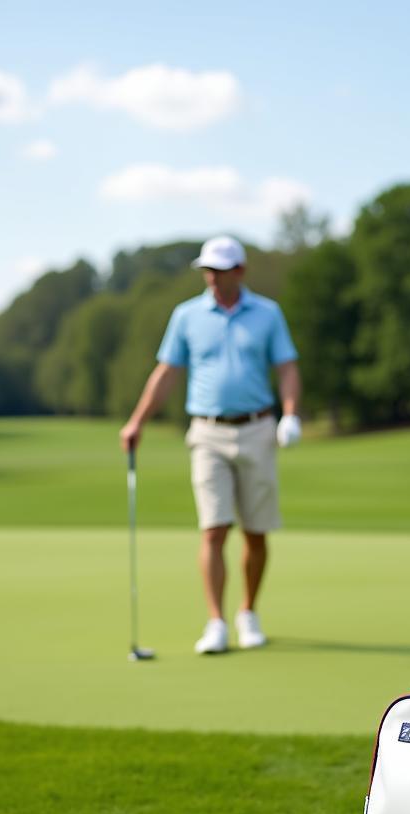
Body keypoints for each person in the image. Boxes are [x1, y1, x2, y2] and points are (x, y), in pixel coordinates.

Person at [119, 236, 302, 654]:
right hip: (206, 433)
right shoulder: (186, 315)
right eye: (208, 270)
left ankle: (248, 613)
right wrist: (136, 422)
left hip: (257, 429)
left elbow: (287, 367)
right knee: (214, 529)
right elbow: (166, 373)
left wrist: (290, 413)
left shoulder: (268, 314)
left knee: (255, 533)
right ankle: (216, 621)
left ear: (240, 271)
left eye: (220, 271)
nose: (212, 278)